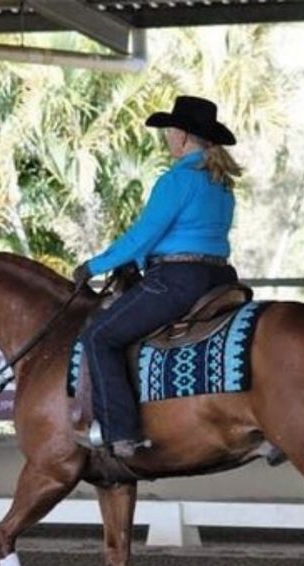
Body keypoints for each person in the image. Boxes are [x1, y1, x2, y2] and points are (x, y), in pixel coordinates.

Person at [73, 95, 243, 459]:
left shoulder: (177, 180)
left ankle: (120, 431)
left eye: (169, 132)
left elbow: (144, 234)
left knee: (100, 336)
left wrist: (94, 266)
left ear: (183, 136)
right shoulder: (222, 183)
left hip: (178, 279)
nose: (167, 138)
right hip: (221, 279)